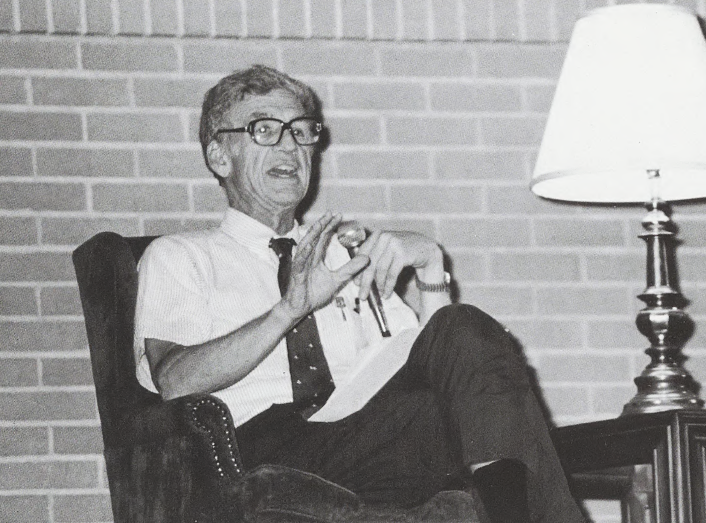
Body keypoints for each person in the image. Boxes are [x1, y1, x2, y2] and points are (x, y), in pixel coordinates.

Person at [133, 64, 584, 523]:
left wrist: (430, 263)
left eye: (302, 131)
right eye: (264, 130)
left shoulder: (346, 253)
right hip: (268, 447)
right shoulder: (181, 256)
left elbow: (442, 361)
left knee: (467, 342)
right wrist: (288, 311)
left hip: (368, 437)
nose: (290, 145)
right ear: (219, 156)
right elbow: (175, 380)